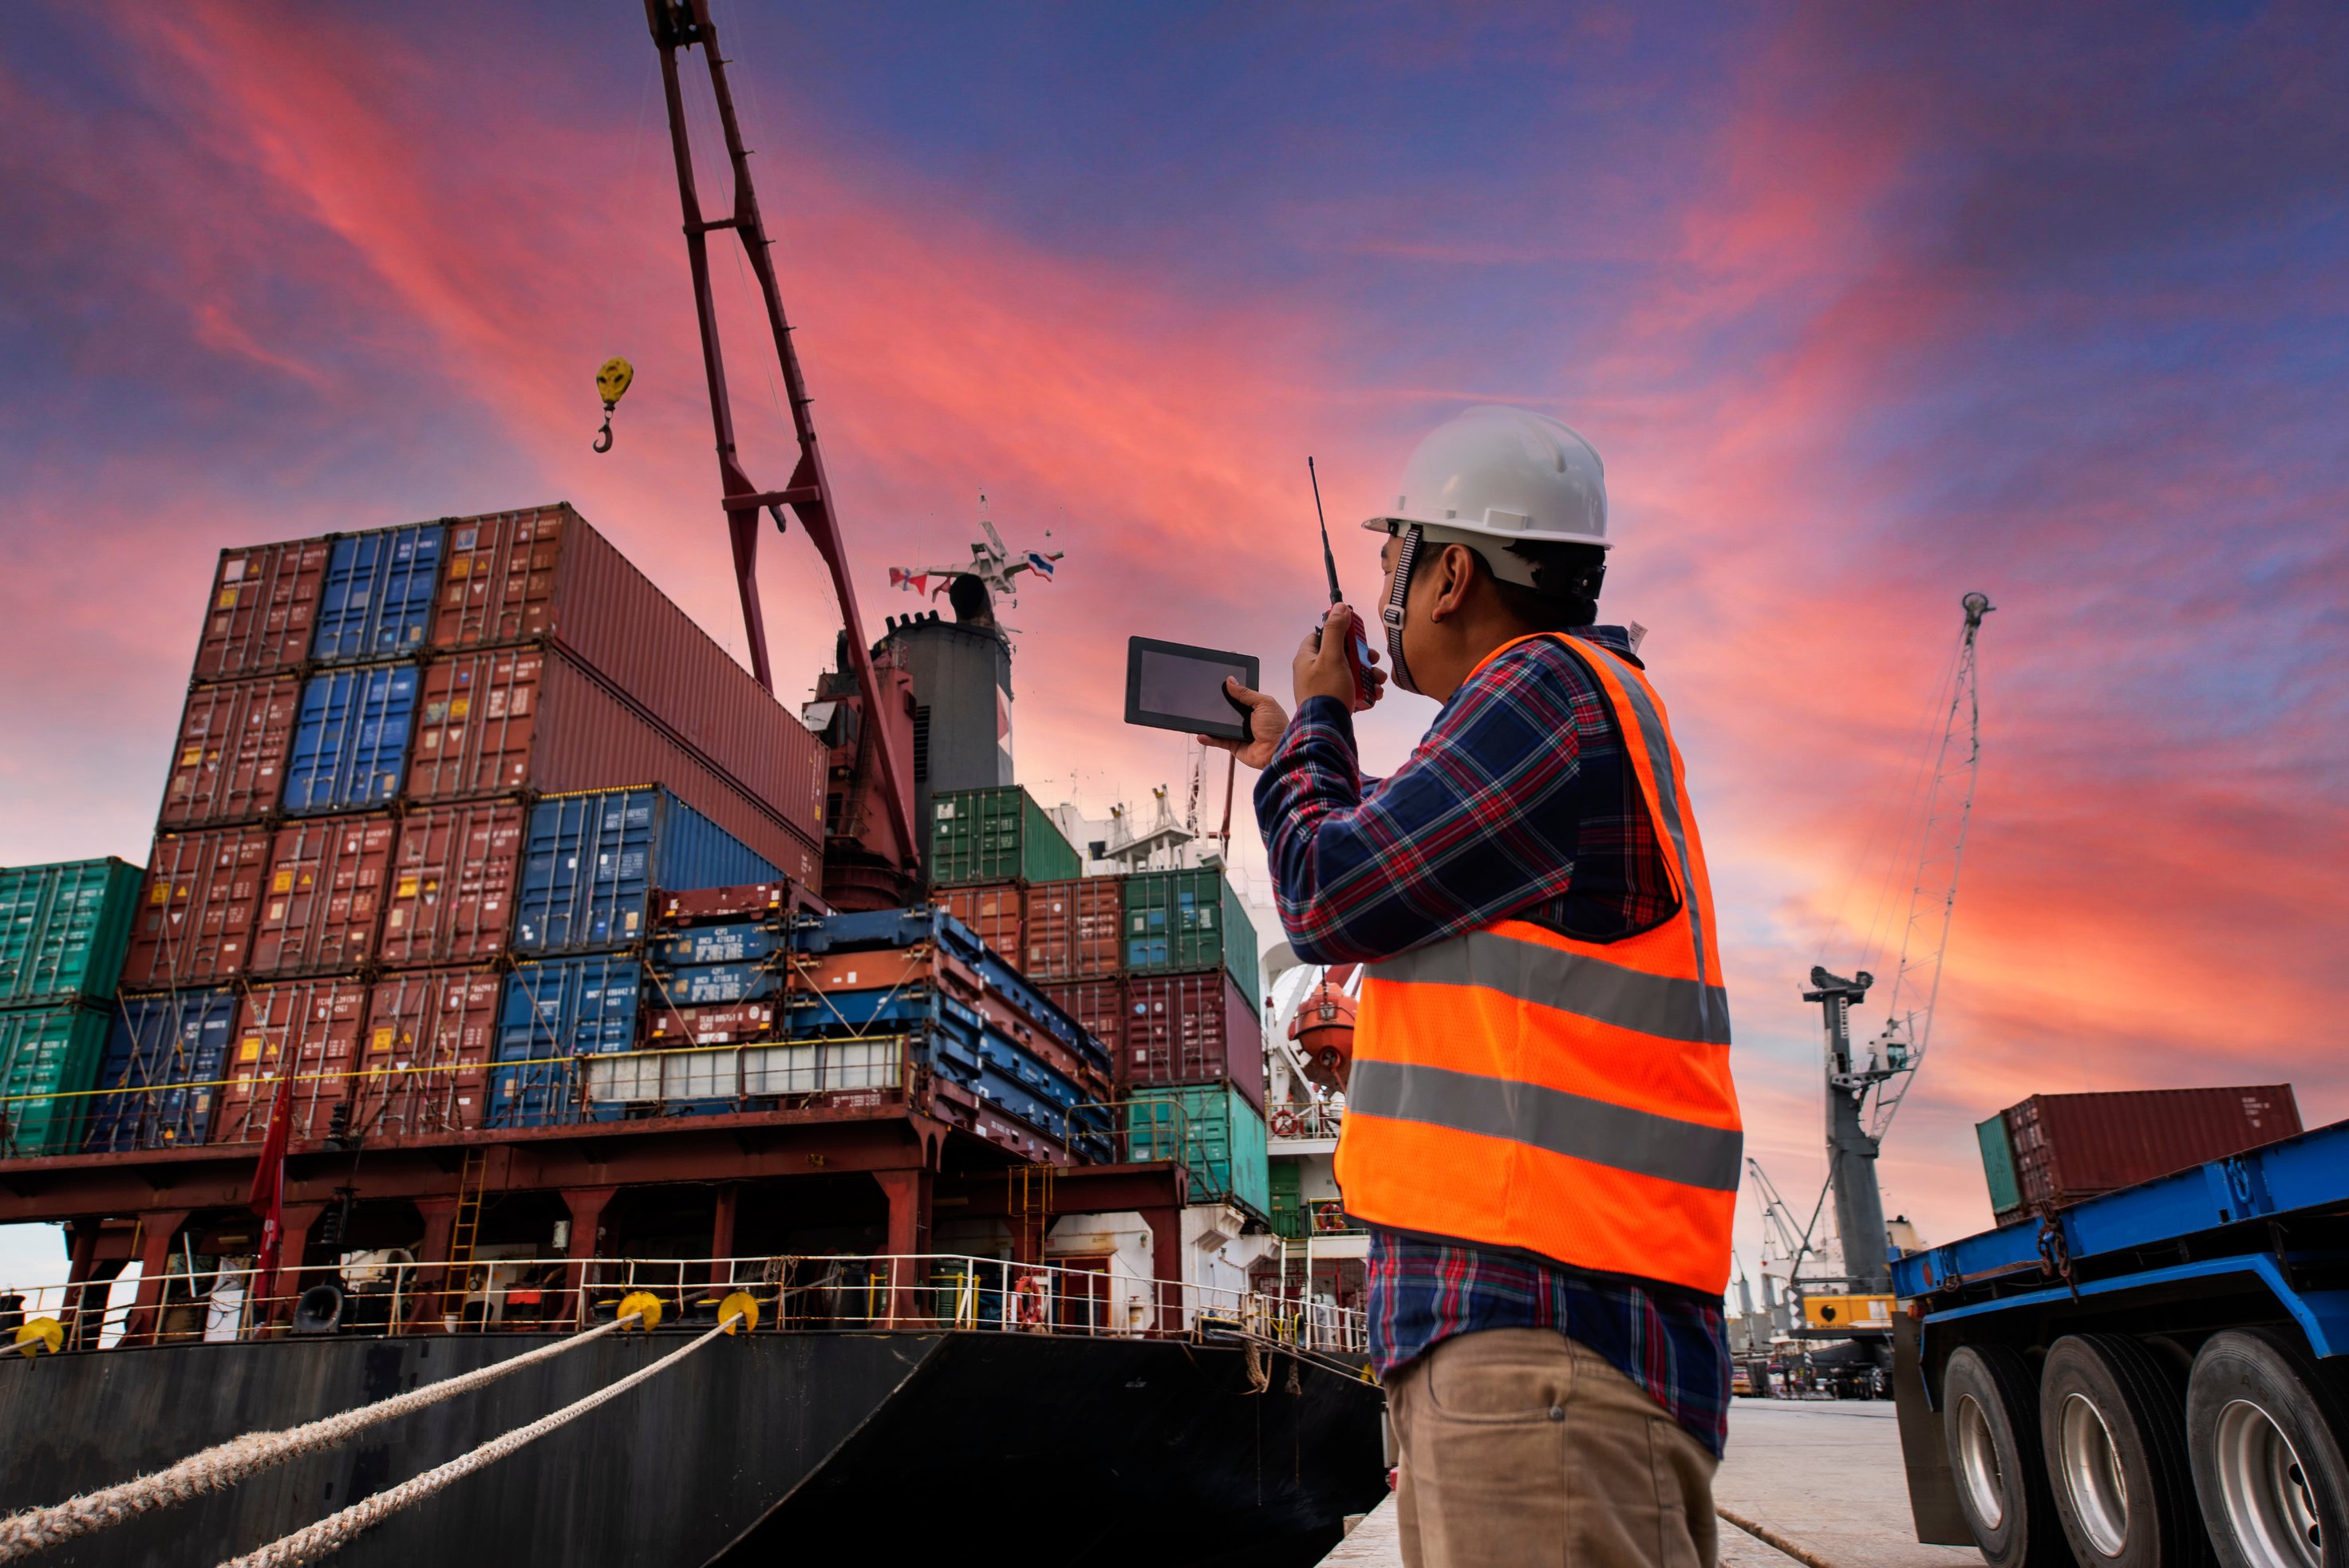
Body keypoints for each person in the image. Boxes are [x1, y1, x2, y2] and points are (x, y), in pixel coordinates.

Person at [1206, 406, 1739, 1568]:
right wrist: (1292, 744)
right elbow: (1405, 843)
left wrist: (1323, 713)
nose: (1383, 593)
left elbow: (1327, 890)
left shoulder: (1542, 692)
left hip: (1543, 1328)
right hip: (1549, 1326)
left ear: (1451, 573)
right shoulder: (1572, 707)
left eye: (1395, 555)